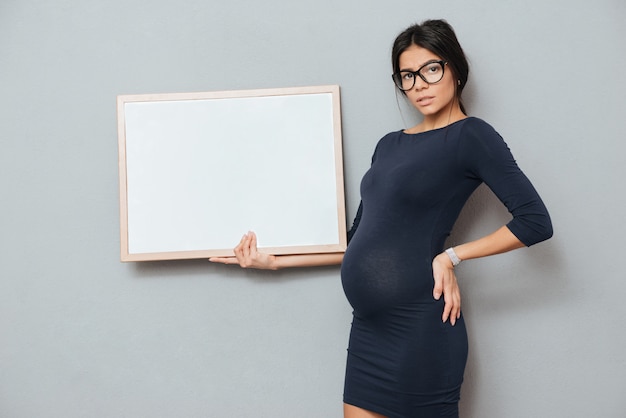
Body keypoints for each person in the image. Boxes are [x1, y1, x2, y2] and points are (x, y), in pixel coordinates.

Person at [210, 19, 552, 418]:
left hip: (420, 329)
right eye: (408, 76)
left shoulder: (471, 136)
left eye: (431, 69)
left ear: (455, 69)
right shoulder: (387, 146)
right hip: (369, 332)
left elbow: (535, 221)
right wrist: (273, 262)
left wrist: (451, 256)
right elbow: (358, 240)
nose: (420, 85)